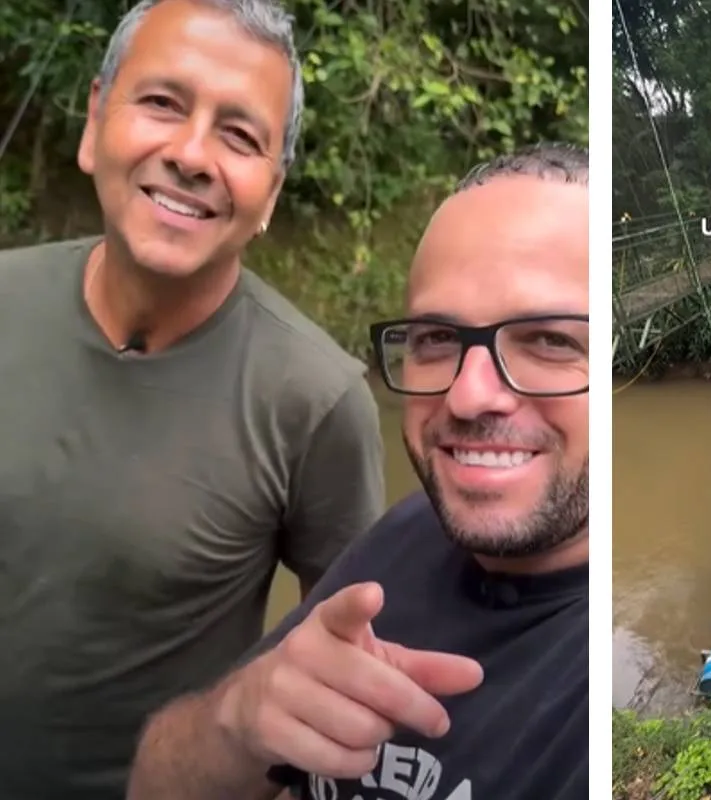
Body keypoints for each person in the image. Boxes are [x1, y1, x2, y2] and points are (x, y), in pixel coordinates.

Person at [0, 1, 385, 797]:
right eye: (162, 105)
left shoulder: (315, 401)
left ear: (271, 193)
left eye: (240, 137)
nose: (191, 154)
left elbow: (342, 679)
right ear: (96, 119)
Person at [126, 142, 590, 800]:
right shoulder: (411, 530)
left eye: (550, 340)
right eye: (436, 340)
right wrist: (236, 722)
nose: (468, 395)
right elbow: (152, 787)